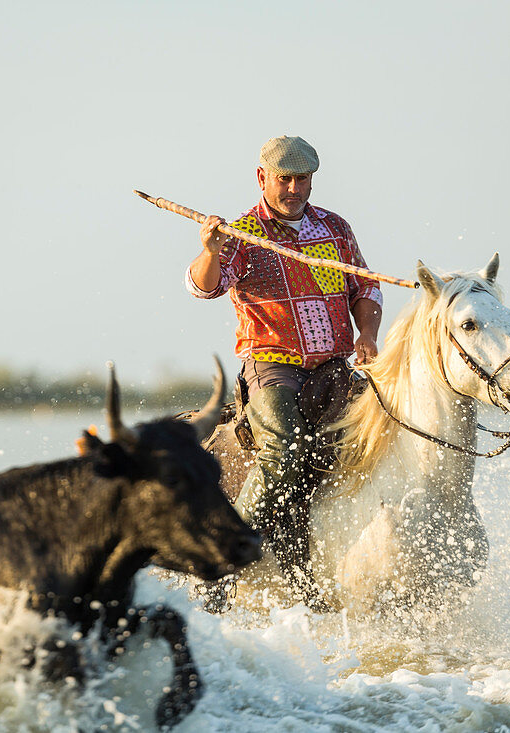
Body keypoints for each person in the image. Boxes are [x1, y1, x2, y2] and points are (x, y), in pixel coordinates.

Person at [186, 135, 382, 611]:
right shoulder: (242, 233)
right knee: (286, 451)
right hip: (273, 368)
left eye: (303, 179)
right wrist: (212, 249)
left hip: (334, 368)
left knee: (388, 430)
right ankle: (222, 561)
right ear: (262, 178)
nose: (295, 188)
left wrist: (368, 336)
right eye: (285, 179)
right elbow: (202, 287)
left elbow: (365, 291)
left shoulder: (335, 230)